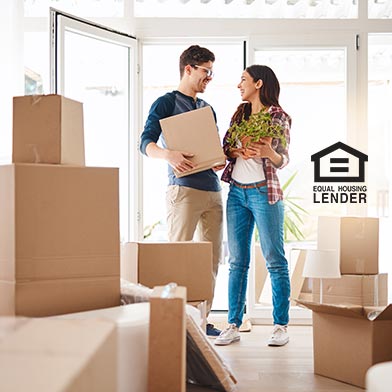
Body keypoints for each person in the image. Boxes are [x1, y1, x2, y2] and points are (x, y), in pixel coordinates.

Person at [139, 45, 224, 337]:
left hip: (213, 191)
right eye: (206, 71)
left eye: (211, 72)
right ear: (189, 69)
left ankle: (202, 320)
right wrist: (169, 155)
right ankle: (175, 319)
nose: (209, 78)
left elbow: (211, 146)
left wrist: (217, 159)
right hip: (184, 190)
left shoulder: (207, 109)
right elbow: (145, 144)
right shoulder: (165, 103)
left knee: (210, 260)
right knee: (179, 256)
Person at [215, 65, 292, 347]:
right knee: (237, 262)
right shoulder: (241, 114)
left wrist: (268, 151)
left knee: (275, 259)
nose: (239, 85)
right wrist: (238, 150)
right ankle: (233, 323)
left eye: (243, 80)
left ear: (259, 83)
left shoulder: (278, 116)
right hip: (236, 193)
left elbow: (283, 160)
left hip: (263, 192)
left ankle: (280, 326)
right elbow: (225, 148)